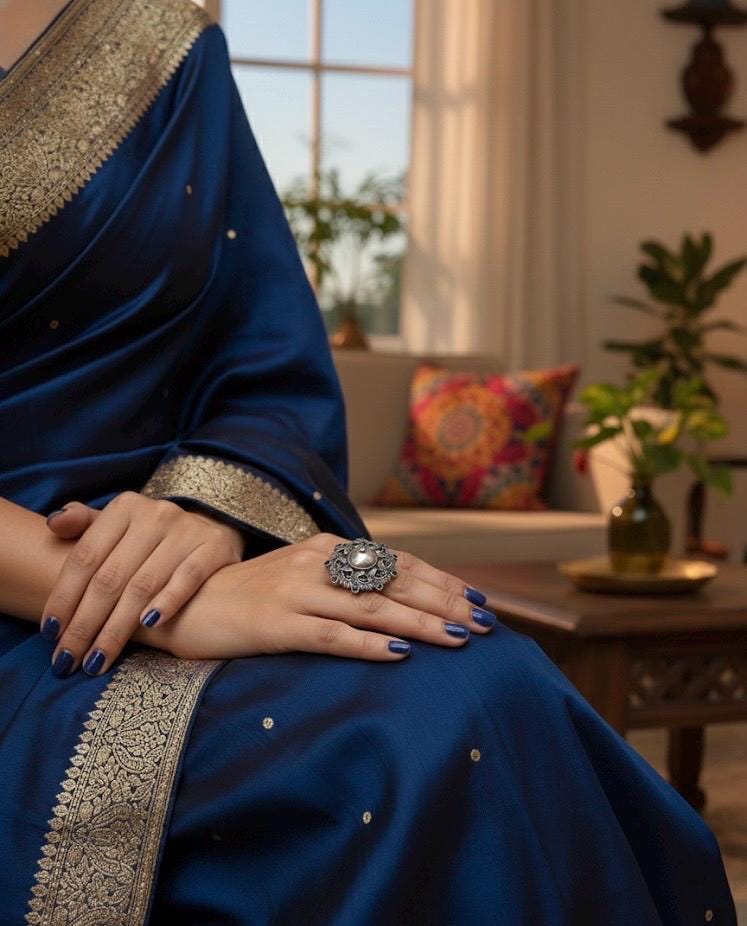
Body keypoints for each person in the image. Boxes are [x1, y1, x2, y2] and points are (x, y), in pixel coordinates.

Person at [0, 1, 737, 923]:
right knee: (404, 745)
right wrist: (154, 597)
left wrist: (205, 523)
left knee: (488, 683)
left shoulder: (163, 43)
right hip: (40, 604)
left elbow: (262, 359)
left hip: (176, 536)